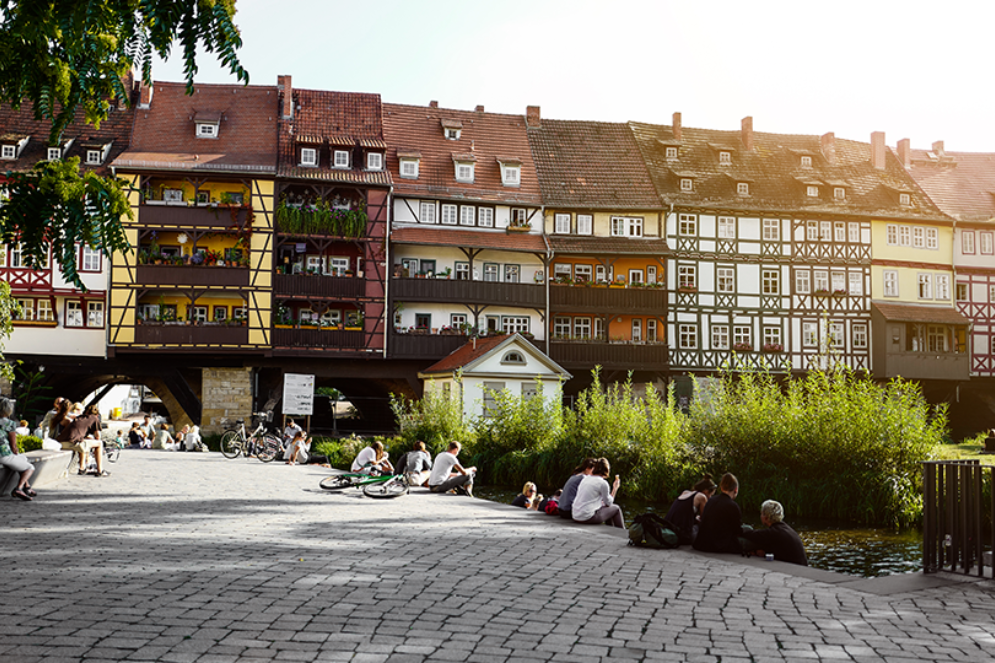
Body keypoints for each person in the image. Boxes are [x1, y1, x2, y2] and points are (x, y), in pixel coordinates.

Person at [693, 473, 748, 554]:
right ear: (735, 490)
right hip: (719, 546)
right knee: (747, 530)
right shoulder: (733, 506)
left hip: (702, 544)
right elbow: (738, 531)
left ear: (721, 488)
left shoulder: (711, 501)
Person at [742, 500, 808, 566]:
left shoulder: (774, 532)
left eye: (761, 513)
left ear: (766, 517)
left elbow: (750, 534)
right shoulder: (785, 528)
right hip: (801, 566)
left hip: (794, 569)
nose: (760, 516)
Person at [0, 396, 36, 501]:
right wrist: (15, 451)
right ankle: (18, 488)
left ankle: (27, 487)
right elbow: (13, 446)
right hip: (3, 454)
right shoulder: (9, 423)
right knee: (30, 467)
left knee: (23, 458)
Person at [664, 474, 717, 545]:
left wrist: (695, 518)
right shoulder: (702, 497)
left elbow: (683, 514)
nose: (710, 498)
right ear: (706, 491)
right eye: (710, 495)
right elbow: (704, 520)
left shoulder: (685, 492)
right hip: (683, 535)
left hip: (669, 528)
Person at [56, 403, 107, 476]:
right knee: (99, 443)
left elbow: (77, 433)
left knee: (82, 441)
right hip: (73, 443)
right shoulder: (94, 418)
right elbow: (98, 436)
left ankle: (82, 468)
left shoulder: (80, 417)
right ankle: (100, 470)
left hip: (61, 442)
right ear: (97, 415)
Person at [572, 458, 624, 528]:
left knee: (607, 509)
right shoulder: (602, 483)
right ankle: (622, 533)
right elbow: (609, 503)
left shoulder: (585, 479)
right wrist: (615, 488)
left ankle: (611, 529)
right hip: (586, 517)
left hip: (576, 515)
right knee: (616, 509)